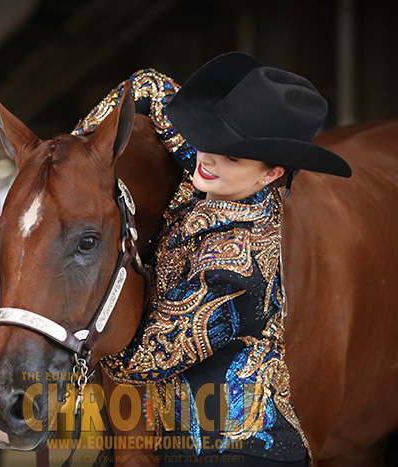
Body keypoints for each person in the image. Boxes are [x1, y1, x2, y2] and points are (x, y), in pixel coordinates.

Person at [100, 52, 351, 466]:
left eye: (232, 155)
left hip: (237, 453)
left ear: (271, 174)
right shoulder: (224, 177)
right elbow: (146, 85)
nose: (208, 157)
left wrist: (62, 332)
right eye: (209, 135)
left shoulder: (234, 267)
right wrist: (76, 158)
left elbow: (141, 361)